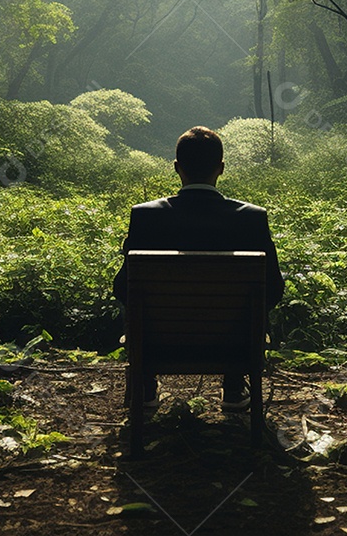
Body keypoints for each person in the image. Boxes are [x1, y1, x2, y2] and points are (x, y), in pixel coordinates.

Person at [112, 126, 284, 410]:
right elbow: (274, 288)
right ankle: (232, 386)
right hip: (234, 344)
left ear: (177, 168)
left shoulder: (145, 217)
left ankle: (145, 386)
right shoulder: (251, 219)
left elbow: (122, 288)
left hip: (158, 343)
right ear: (221, 168)